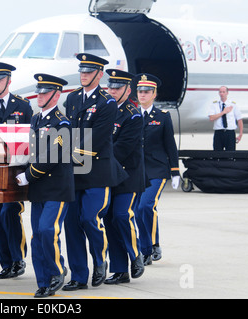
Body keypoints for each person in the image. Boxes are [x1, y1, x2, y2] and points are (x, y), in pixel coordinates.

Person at [63, 53, 128, 291]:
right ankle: (79, 276)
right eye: (81, 71)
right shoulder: (71, 99)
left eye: (89, 72)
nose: (83, 75)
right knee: (71, 225)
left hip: (96, 172)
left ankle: (100, 260)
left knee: (89, 218)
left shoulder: (106, 103)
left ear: (99, 75)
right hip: (72, 173)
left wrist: (65, 149)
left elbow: (97, 140)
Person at [16, 73, 74, 298]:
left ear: (57, 95)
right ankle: (43, 281)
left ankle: (57, 271)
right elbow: (33, 152)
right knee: (37, 236)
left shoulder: (63, 123)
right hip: (39, 188)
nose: (39, 96)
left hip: (57, 188)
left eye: (45, 93)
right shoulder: (36, 119)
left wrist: (28, 176)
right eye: (38, 92)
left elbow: (52, 156)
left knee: (48, 230)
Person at [0, 62, 32, 279]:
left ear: (9, 81)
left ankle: (18, 258)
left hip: (15, 172)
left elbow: (31, 139)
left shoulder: (22, 106)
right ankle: (6, 263)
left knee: (9, 212)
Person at [103, 69, 145, 285]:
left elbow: (121, 149)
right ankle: (120, 270)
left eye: (117, 87)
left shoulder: (133, 114)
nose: (112, 91)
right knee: (109, 221)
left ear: (128, 90)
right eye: (110, 86)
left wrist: (97, 158)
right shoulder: (105, 110)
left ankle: (136, 254)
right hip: (108, 174)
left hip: (127, 175)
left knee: (121, 215)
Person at [134, 73, 179, 265]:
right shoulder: (132, 116)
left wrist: (175, 171)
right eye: (139, 91)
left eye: (146, 92)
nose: (142, 95)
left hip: (157, 170)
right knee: (136, 211)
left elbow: (170, 145)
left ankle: (154, 244)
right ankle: (145, 250)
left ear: (154, 94)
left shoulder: (162, 117)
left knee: (146, 205)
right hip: (136, 171)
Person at [208, 86, 243, 151]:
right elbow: (211, 118)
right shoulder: (214, 104)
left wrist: (240, 134)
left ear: (227, 93)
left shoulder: (233, 105)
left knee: (230, 155)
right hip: (219, 133)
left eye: (223, 92)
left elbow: (239, 119)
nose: (222, 94)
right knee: (217, 154)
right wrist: (223, 112)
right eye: (220, 92)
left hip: (230, 133)